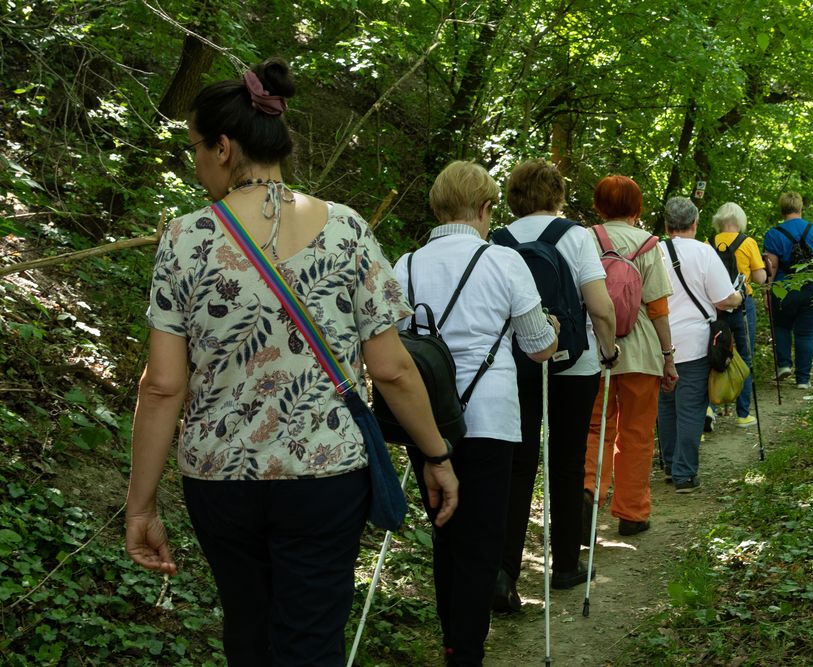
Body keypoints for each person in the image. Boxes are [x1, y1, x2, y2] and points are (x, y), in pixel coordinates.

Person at [125, 58, 459, 667]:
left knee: (248, 631)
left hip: (220, 479)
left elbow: (164, 386)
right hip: (326, 473)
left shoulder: (184, 238)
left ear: (224, 147)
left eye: (195, 147)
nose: (194, 161)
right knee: (312, 640)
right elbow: (392, 369)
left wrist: (140, 505)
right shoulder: (349, 230)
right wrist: (435, 455)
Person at [393, 160, 559, 667]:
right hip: (490, 419)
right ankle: (465, 650)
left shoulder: (405, 266)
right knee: (482, 540)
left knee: (447, 531)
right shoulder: (505, 263)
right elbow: (537, 347)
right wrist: (551, 326)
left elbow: (394, 346)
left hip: (427, 420)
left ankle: (453, 638)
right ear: (486, 209)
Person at [491, 158, 619, 612]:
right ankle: (565, 563)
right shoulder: (576, 236)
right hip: (575, 364)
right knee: (566, 462)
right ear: (558, 194)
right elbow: (600, 306)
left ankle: (503, 572)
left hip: (515, 363)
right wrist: (608, 349)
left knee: (518, 462)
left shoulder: (498, 240)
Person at [583, 175, 675, 536]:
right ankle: (632, 513)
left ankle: (587, 494)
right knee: (636, 434)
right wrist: (668, 356)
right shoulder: (648, 244)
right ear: (637, 208)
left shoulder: (585, 239)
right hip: (641, 355)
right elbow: (658, 308)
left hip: (594, 351)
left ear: (598, 205)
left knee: (593, 428)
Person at [658, 197, 742, 493]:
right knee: (692, 408)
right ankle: (684, 474)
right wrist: (739, 297)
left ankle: (670, 464)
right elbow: (723, 299)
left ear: (667, 224)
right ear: (694, 223)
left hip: (659, 341)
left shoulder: (653, 251)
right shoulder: (704, 253)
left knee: (666, 406)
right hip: (694, 343)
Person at [762, 191, 813, 389]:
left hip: (785, 289)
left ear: (782, 209)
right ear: (800, 207)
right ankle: (803, 379)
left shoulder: (774, 234)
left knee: (782, 326)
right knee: (806, 334)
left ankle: (784, 365)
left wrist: (767, 292)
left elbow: (772, 267)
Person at [710, 202, 767, 427]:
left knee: (715, 354)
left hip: (717, 307)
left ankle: (709, 408)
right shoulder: (748, 242)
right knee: (745, 356)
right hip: (743, 307)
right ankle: (743, 414)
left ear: (719, 220)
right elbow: (761, 278)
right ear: (739, 220)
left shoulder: (709, 243)